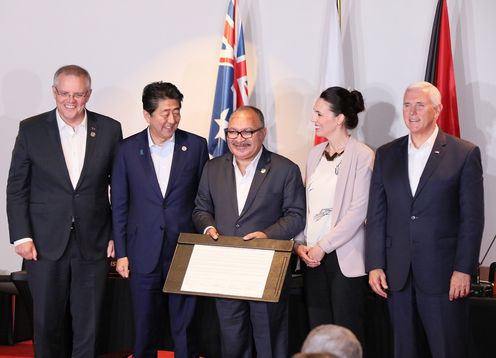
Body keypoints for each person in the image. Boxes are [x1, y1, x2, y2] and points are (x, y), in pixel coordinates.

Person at [6, 65, 122, 357]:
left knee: (90, 324)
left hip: (93, 242)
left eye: (79, 94)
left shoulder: (109, 129)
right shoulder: (31, 129)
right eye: (65, 93)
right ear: (54, 92)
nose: (71, 100)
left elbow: (119, 189)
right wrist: (21, 236)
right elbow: (17, 187)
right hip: (43, 243)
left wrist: (115, 235)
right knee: (46, 323)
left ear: (89, 94)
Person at [366, 81, 484, 358]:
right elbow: (377, 214)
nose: (412, 112)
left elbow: (472, 218)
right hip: (396, 275)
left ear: (438, 110)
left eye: (420, 105)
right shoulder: (386, 154)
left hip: (444, 275)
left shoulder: (464, 153)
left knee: (448, 348)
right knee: (403, 350)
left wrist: (464, 269)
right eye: (407, 105)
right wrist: (375, 264)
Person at [193, 105, 305, 358]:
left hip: (267, 266)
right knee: (232, 339)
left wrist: (266, 236)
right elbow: (200, 209)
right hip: (226, 267)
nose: (238, 139)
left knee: (269, 339)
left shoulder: (285, 169)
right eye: (232, 132)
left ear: (262, 133)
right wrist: (209, 227)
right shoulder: (212, 168)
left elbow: (296, 216)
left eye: (247, 132)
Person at [112, 81, 208, 358]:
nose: (172, 119)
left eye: (176, 111)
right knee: (144, 325)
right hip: (142, 250)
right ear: (147, 114)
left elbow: (204, 199)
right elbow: (119, 204)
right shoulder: (127, 150)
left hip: (184, 249)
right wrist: (122, 253)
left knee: (186, 326)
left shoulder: (197, 146)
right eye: (165, 113)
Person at [294, 87, 373, 350]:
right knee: (318, 329)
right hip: (312, 258)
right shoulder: (314, 154)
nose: (313, 119)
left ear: (339, 118)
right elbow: (306, 205)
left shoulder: (363, 155)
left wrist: (322, 247)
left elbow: (358, 211)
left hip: (343, 259)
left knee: (346, 331)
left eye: (319, 113)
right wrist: (302, 244)